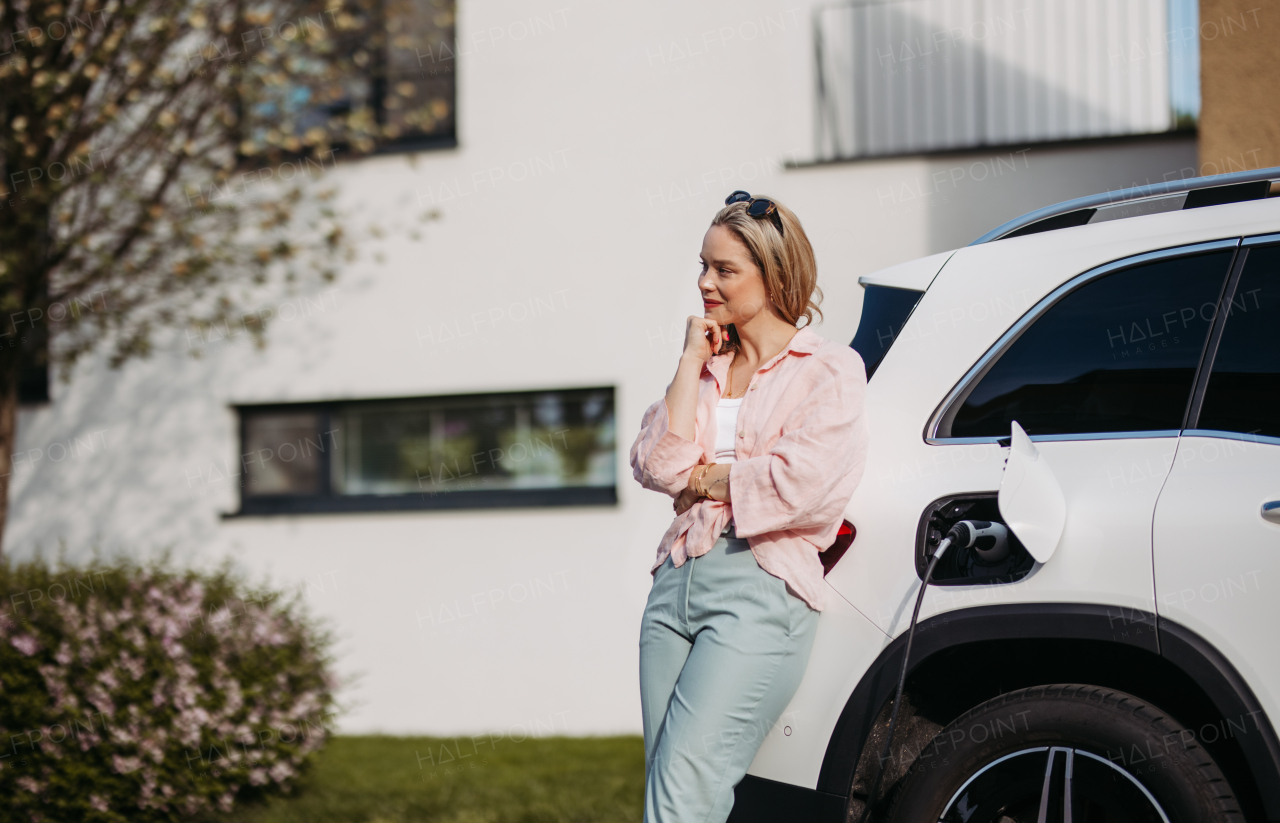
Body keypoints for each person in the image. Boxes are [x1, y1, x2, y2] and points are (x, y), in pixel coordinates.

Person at [630, 191, 870, 823]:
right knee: (671, 785)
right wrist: (689, 361)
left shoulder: (829, 370)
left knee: (685, 786)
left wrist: (705, 479)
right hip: (674, 585)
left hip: (759, 590)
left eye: (725, 270)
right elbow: (656, 465)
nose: (705, 283)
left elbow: (802, 483)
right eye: (703, 266)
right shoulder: (707, 368)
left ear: (777, 276)